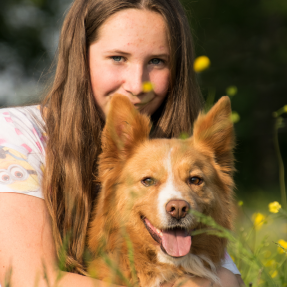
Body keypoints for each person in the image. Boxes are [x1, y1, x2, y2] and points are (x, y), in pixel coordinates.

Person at [0, 0, 244, 286]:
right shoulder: (14, 134)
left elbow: (227, 278)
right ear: (80, 58)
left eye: (157, 61)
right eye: (118, 58)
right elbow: (32, 279)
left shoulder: (174, 147)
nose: (137, 85)